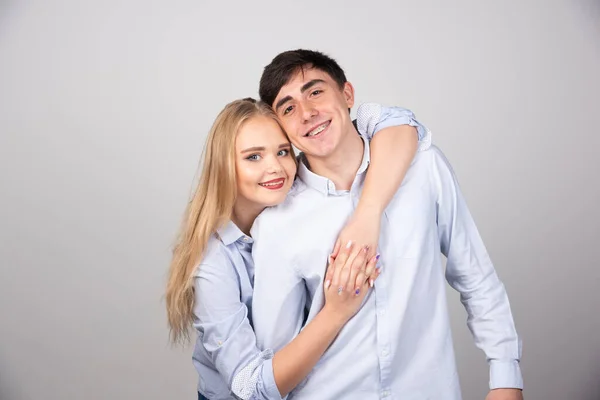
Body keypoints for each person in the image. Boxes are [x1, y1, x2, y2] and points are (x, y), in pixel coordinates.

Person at [251, 49, 524, 400]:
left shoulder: (424, 168)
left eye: (315, 91)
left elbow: (475, 276)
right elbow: (277, 358)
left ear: (347, 95)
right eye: (288, 108)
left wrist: (505, 377)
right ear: (282, 129)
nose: (307, 114)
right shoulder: (276, 224)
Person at [165, 97, 427, 399]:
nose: (275, 168)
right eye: (253, 157)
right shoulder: (212, 262)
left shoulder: (301, 189)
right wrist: (336, 312)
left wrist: (369, 214)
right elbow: (250, 389)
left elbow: (392, 121)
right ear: (223, 166)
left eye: (283, 151)